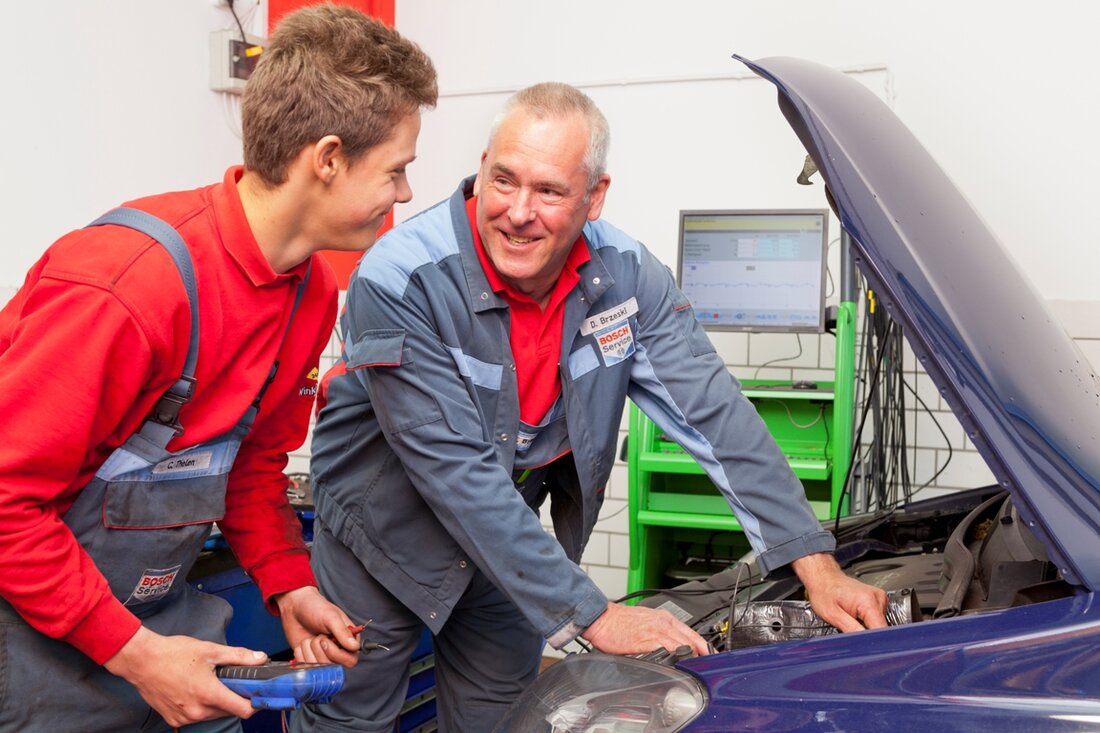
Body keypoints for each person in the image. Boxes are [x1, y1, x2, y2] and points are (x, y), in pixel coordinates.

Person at [297, 82, 888, 733]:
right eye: (503, 180)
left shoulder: (627, 278)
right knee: (348, 720)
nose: (519, 211)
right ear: (483, 165)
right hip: (380, 540)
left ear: (595, 195)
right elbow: (456, 472)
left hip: (504, 551)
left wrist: (815, 563)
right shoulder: (401, 277)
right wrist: (595, 614)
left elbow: (717, 415)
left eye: (549, 191)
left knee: (505, 719)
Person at [0, 6, 436, 732]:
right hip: (30, 645)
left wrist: (289, 584)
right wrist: (138, 655)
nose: (405, 194)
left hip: (162, 625)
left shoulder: (309, 294)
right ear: (327, 159)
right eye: (396, 170)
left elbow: (251, 462)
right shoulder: (127, 287)